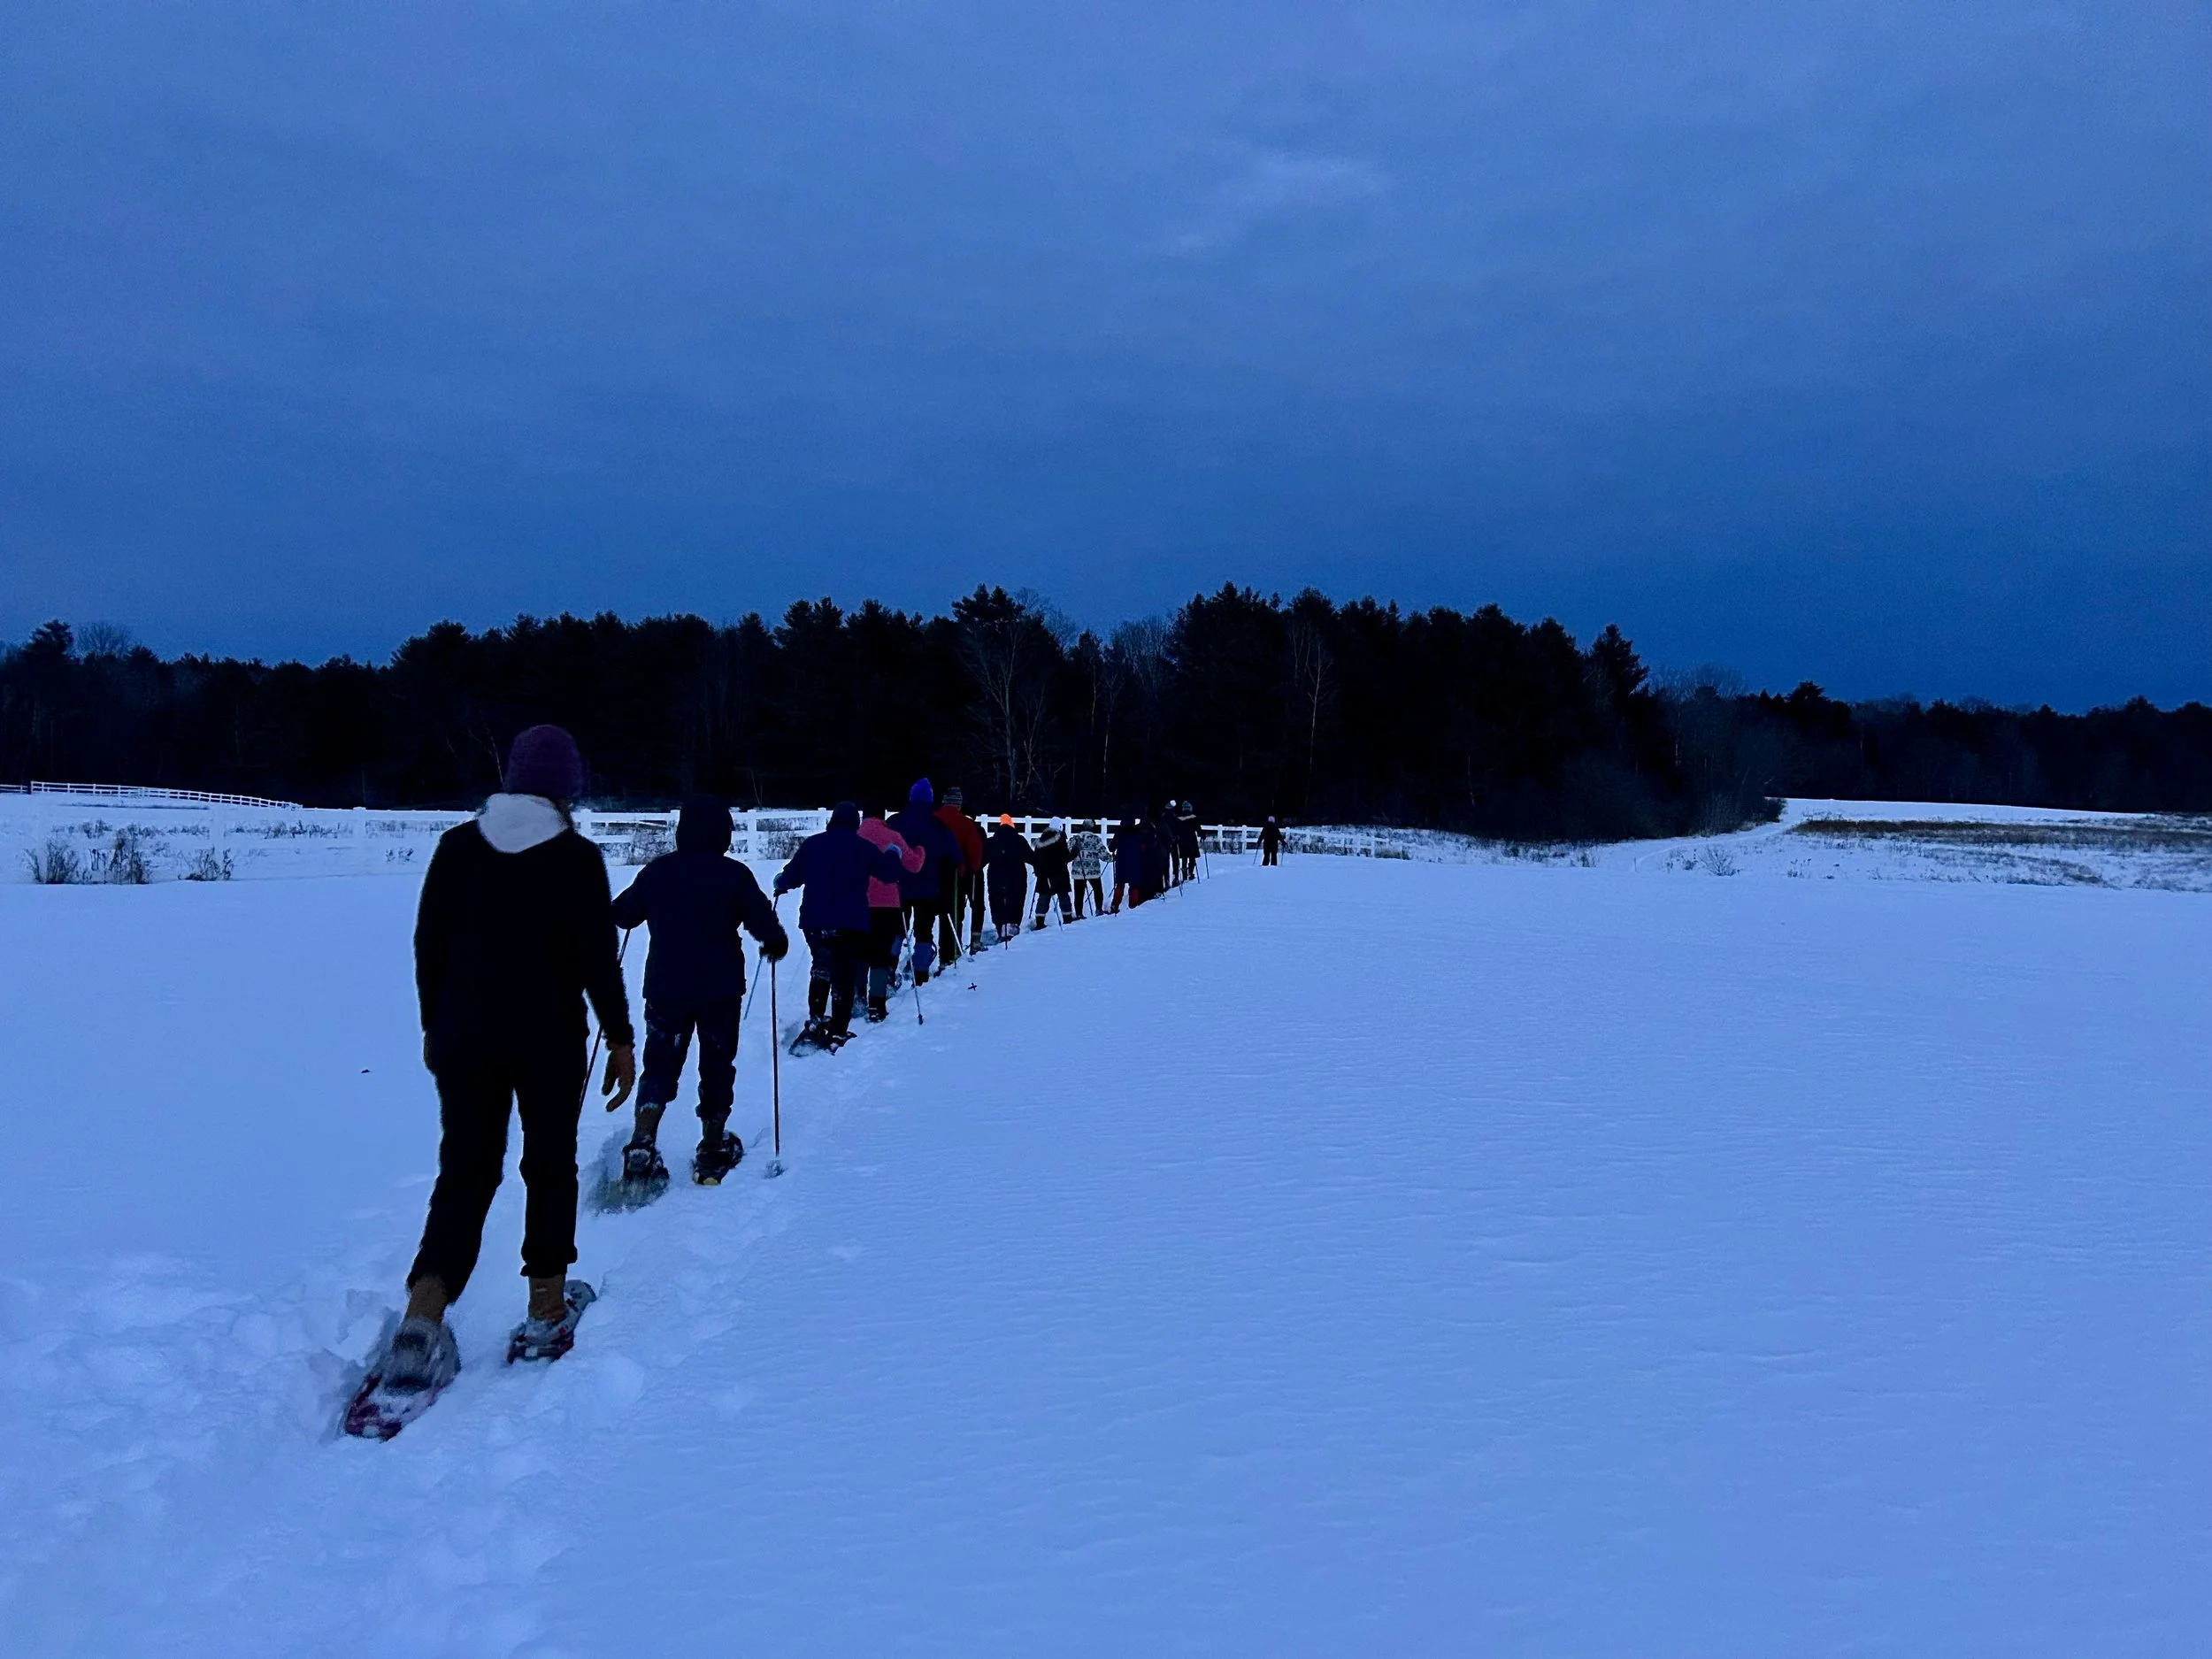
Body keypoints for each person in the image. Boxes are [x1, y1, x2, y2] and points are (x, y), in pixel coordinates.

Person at [392, 724, 634, 1394]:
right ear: (567, 790)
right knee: (549, 1165)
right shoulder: (577, 859)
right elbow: (595, 961)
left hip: (462, 1040)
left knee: (465, 1173)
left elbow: (428, 948)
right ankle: (546, 1308)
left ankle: (423, 1316)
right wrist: (619, 1037)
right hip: (548, 1041)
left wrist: (432, 1028)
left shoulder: (456, 848)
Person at [609, 795, 788, 1185]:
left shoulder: (658, 872)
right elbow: (764, 923)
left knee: (659, 1062)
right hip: (719, 990)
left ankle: (643, 1139)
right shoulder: (734, 875)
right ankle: (712, 1146)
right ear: (723, 833)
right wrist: (774, 941)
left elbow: (622, 914)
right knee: (717, 1064)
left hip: (665, 988)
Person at [774, 802, 911, 1048]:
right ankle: (838, 1030)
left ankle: (816, 1019)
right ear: (855, 824)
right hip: (851, 923)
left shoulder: (813, 844)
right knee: (844, 974)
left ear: (832, 821)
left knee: (822, 966)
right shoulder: (864, 848)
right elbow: (890, 875)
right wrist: (893, 853)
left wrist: (781, 883)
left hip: (815, 921)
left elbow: (790, 877)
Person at [887, 779, 962, 984]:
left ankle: (888, 964)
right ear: (930, 800)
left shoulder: (895, 821)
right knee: (924, 930)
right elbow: (954, 855)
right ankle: (920, 973)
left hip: (898, 887)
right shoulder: (937, 825)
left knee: (896, 929)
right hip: (927, 887)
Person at [858, 806, 927, 1021]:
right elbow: (914, 865)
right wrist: (921, 850)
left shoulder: (855, 835)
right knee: (880, 953)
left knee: (858, 950)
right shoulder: (892, 836)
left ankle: (856, 996)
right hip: (887, 903)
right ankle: (876, 1003)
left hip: (857, 901)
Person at [935, 785, 986, 957]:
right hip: (956, 875)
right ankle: (951, 953)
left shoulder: (932, 818)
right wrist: (973, 868)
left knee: (932, 916)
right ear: (958, 804)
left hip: (930, 874)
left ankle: (933, 954)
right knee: (954, 913)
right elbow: (975, 852)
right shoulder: (965, 823)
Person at [984, 813, 1032, 941]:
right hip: (1017, 874)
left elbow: (982, 859)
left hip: (995, 874)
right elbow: (1031, 857)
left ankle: (1000, 925)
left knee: (997, 898)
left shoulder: (992, 841)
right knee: (1016, 897)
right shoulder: (1019, 840)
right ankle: (1013, 924)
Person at [1028, 818, 1074, 929]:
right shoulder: (1060, 840)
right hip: (1059, 873)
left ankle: (1040, 921)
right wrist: (1074, 852)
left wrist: (1038, 871)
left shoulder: (1040, 842)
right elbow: (1065, 857)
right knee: (1063, 896)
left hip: (1044, 874)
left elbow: (1036, 859)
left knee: (1043, 897)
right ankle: (1067, 918)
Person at [1069, 821, 1107, 918]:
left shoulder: (1075, 839)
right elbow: (1102, 854)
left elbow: (1067, 851)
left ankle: (1078, 913)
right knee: (1097, 890)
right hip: (1093, 870)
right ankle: (1099, 909)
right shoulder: (1096, 839)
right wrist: (1111, 859)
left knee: (1079, 893)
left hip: (1078, 871)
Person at [1110, 816, 1144, 912]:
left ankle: (1115, 904)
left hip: (1121, 861)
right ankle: (1133, 905)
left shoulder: (1119, 832)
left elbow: (1111, 847)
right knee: (1134, 885)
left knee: (1120, 884)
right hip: (1135, 861)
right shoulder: (1138, 832)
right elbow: (1142, 847)